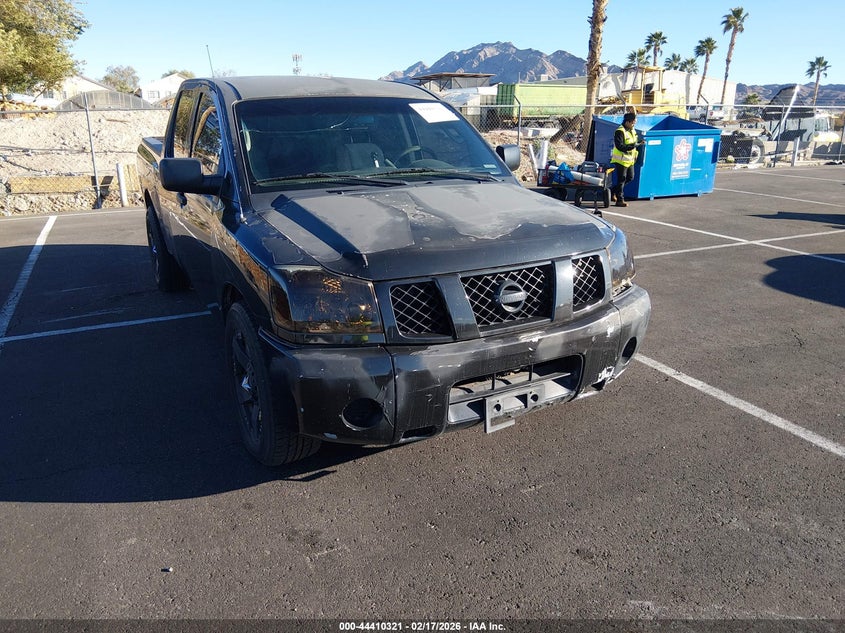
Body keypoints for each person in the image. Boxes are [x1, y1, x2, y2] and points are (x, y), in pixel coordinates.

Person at [610, 112, 644, 207]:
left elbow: (634, 142)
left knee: (630, 177)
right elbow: (620, 146)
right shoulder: (620, 131)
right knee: (622, 179)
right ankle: (620, 200)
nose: (634, 125)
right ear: (627, 122)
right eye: (633, 123)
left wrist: (638, 143)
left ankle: (612, 191)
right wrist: (633, 146)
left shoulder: (632, 130)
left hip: (629, 160)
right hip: (620, 160)